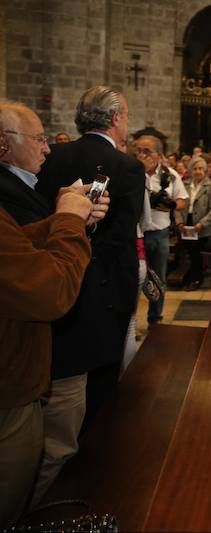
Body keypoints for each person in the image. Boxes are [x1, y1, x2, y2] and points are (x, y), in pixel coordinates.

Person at [33, 86, 145, 497]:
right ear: (116, 119)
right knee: (96, 389)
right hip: (98, 293)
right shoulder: (125, 166)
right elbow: (120, 240)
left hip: (47, 280)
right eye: (126, 116)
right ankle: (84, 483)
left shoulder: (52, 157)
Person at [0, 160, 107, 527]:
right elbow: (51, 292)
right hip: (8, 389)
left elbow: (16, 250)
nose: (47, 149)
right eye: (38, 139)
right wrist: (69, 223)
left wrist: (67, 218)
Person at [134, 134, 188, 325]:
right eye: (138, 150)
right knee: (133, 278)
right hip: (135, 234)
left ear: (158, 154)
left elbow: (183, 200)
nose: (141, 155)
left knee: (158, 278)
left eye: (146, 151)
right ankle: (130, 319)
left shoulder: (169, 175)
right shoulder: (131, 172)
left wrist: (171, 205)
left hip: (159, 234)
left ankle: (155, 319)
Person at [174, 156, 211, 291]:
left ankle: (196, 279)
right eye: (195, 169)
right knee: (188, 251)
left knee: (195, 252)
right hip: (186, 221)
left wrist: (202, 224)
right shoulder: (185, 184)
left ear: (205, 170)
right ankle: (189, 276)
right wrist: (179, 222)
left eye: (200, 169)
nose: (198, 171)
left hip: (201, 225)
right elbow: (178, 203)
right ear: (191, 170)